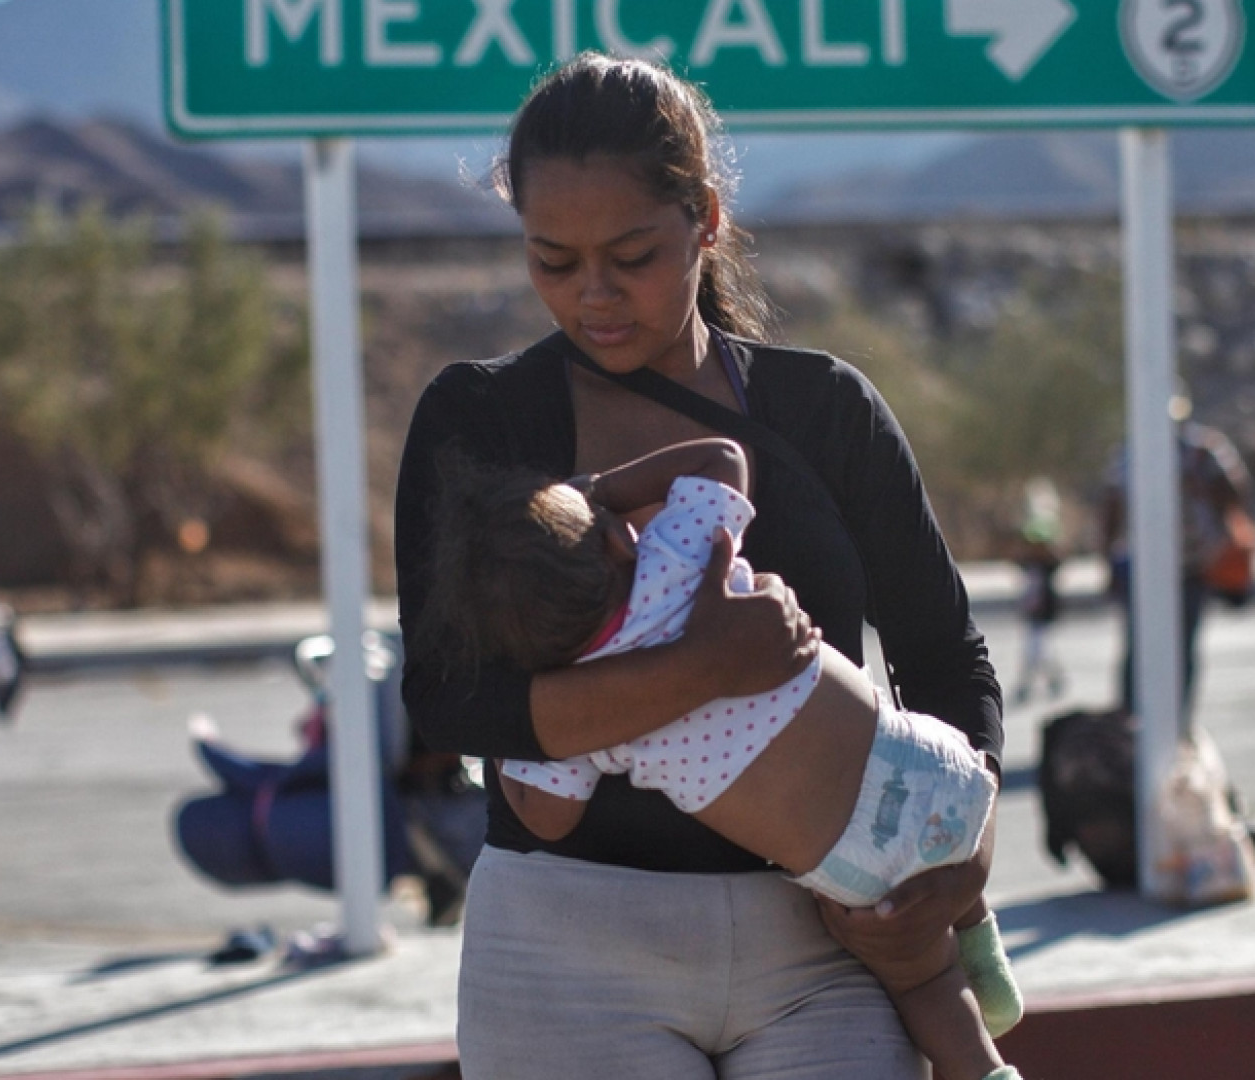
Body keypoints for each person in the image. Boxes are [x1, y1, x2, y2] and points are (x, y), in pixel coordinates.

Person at [395, 53, 1005, 1080]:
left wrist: (962, 854)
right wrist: (704, 669)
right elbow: (451, 701)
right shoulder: (479, 423)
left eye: (631, 255)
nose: (593, 295)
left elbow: (947, 660)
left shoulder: (826, 412)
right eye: (552, 260)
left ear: (706, 221)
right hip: (563, 950)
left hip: (823, 943)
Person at [421, 439, 1021, 1079]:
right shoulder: (678, 554)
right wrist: (601, 492)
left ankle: (983, 1066)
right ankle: (980, 942)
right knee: (943, 872)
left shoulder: (593, 715)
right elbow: (722, 460)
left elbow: (545, 818)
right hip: (933, 764)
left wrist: (517, 724)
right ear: (617, 542)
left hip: (857, 862)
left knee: (921, 983)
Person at [1102, 396, 1250, 723]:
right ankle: (1129, 721)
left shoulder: (1202, 450)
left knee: (1182, 645)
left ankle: (1178, 722)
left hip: (1191, 564)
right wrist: (1109, 562)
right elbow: (1112, 507)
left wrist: (1198, 481)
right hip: (1142, 567)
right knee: (1138, 647)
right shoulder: (1131, 452)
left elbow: (1236, 492)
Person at [1008, 479, 1067, 706]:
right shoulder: (1031, 566)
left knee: (1037, 649)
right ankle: (1048, 680)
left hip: (1043, 611)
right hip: (1032, 610)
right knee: (1036, 649)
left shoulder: (1047, 568)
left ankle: (1036, 683)